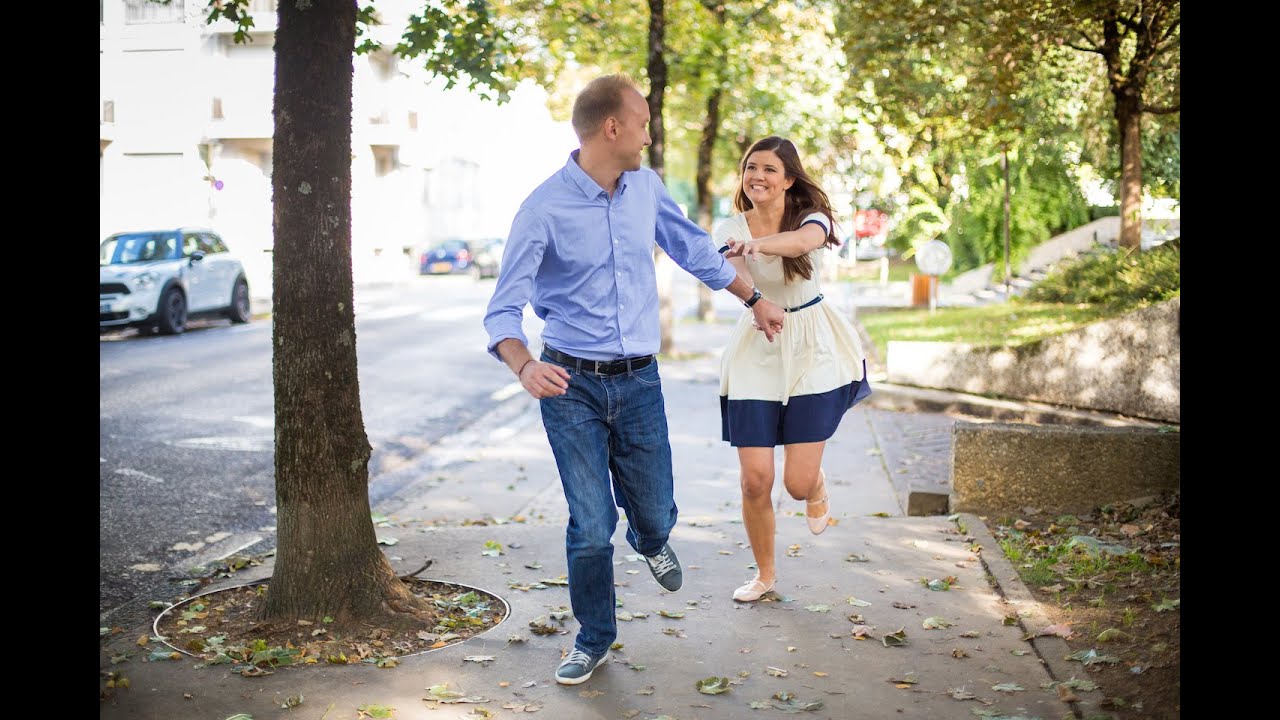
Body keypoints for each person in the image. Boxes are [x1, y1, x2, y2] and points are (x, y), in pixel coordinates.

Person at [482, 74, 786, 685]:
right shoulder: (542, 209)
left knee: (655, 510)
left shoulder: (645, 188)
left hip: (640, 382)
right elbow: (501, 311)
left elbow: (694, 251)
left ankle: (651, 539)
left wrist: (753, 300)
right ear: (612, 127)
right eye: (643, 123)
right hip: (571, 385)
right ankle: (594, 636)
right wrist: (524, 364)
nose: (650, 134)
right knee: (591, 524)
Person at [715, 136, 873, 603]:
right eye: (750, 168)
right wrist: (743, 261)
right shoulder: (728, 226)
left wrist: (756, 243)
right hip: (759, 342)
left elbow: (804, 242)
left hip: (813, 345)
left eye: (768, 169)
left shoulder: (811, 218)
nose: (757, 176)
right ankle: (765, 575)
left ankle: (816, 483)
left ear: (788, 179)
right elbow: (727, 276)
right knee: (755, 479)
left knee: (797, 484)